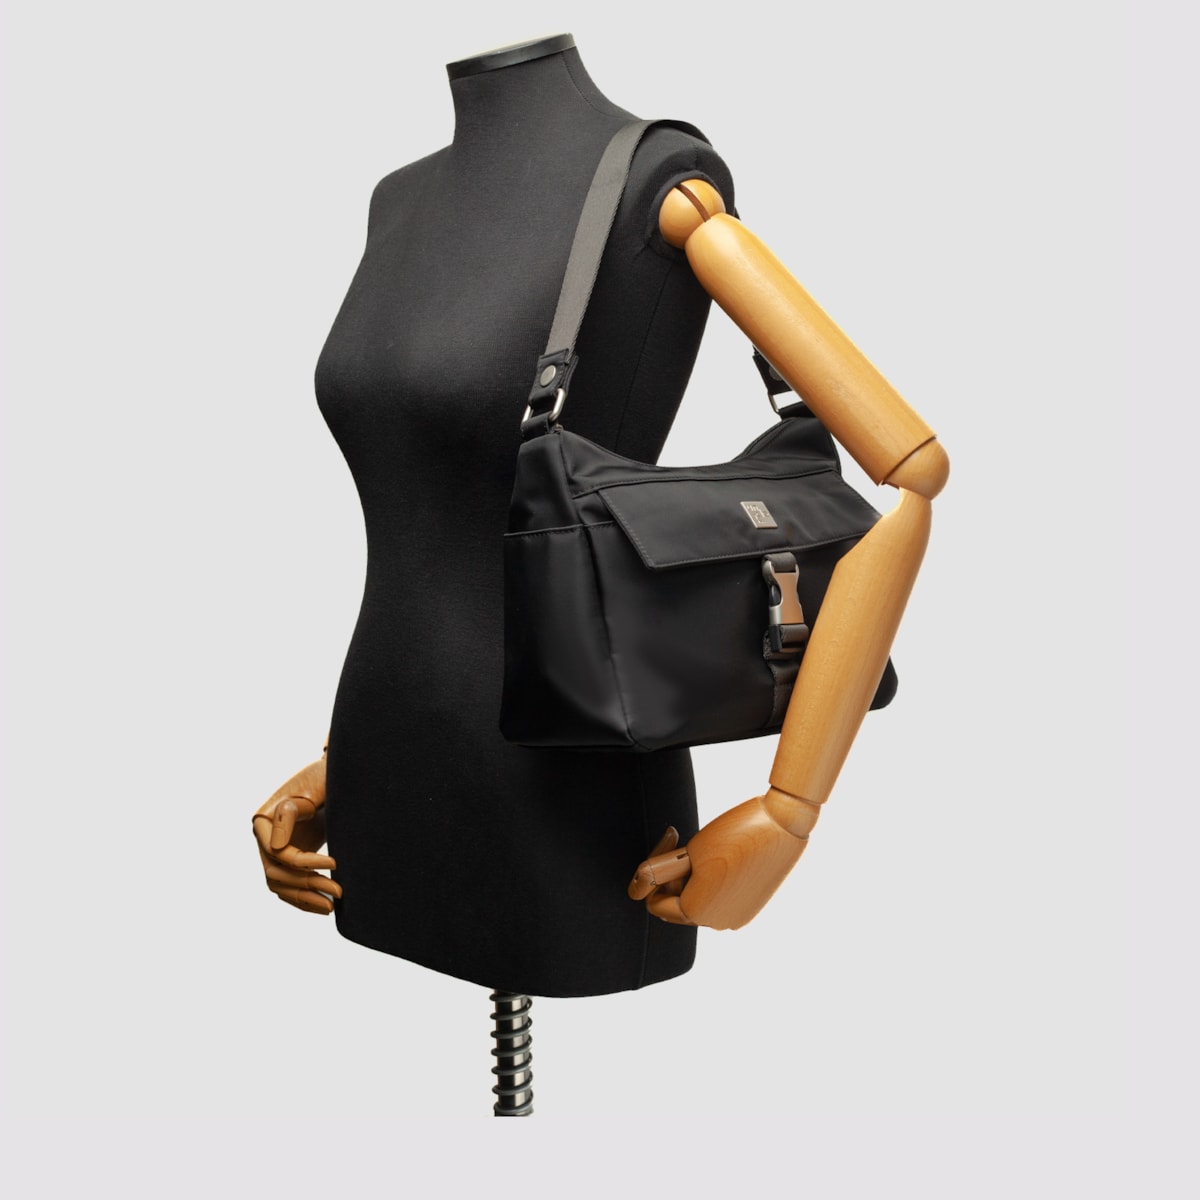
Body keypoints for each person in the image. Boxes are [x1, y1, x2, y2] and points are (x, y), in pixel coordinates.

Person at [253, 34, 947, 1003]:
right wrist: (342, 763)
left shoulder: (658, 184)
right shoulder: (394, 202)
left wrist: (789, 810)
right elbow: (430, 520)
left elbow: (911, 473)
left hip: (569, 794)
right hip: (382, 756)